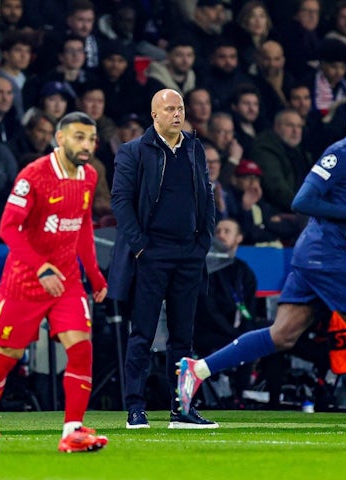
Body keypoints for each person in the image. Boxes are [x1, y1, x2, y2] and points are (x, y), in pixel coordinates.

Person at [177, 99, 346, 446]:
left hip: (322, 253)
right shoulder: (340, 155)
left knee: (282, 335)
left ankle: (197, 370)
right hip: (324, 255)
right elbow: (302, 201)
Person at [0, 111, 109, 453]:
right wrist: (41, 268)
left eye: (91, 139)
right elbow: (7, 228)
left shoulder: (89, 177)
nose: (87, 145)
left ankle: (72, 431)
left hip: (67, 281)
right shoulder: (33, 176)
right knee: (7, 354)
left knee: (81, 348)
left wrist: (94, 273)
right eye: (79, 137)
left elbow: (83, 227)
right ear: (59, 138)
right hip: (26, 281)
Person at [108, 88, 216, 429]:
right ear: (154, 115)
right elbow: (121, 202)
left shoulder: (195, 149)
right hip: (151, 254)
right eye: (169, 109)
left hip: (188, 255)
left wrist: (203, 244)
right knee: (141, 333)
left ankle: (182, 408)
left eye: (180, 108)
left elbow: (207, 197)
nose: (176, 114)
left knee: (183, 338)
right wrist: (141, 247)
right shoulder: (134, 152)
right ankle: (135, 408)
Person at [193, 218, 257, 406]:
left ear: (239, 238)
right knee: (243, 343)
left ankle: (271, 399)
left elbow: (250, 309)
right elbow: (209, 310)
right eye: (218, 231)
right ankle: (236, 397)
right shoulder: (206, 269)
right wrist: (236, 336)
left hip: (237, 332)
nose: (220, 234)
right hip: (209, 332)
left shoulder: (244, 271)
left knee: (273, 338)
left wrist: (247, 333)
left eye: (226, 231)